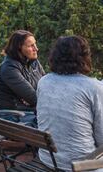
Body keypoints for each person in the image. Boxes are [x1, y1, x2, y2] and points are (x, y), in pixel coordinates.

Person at [37, 36, 103, 170]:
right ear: (84, 57)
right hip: (83, 165)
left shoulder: (44, 81)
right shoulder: (93, 87)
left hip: (48, 159)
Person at [0, 30, 45, 127]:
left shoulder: (33, 62)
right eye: (31, 46)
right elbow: (33, 98)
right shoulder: (9, 68)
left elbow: (46, 86)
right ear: (19, 47)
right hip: (13, 116)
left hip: (28, 110)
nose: (36, 49)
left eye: (35, 44)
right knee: (53, 124)